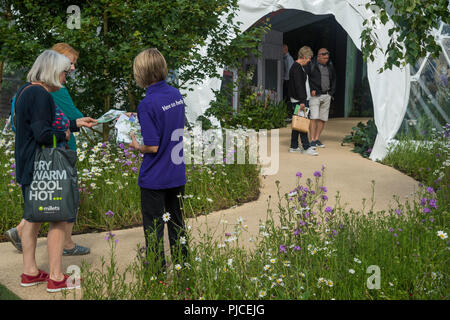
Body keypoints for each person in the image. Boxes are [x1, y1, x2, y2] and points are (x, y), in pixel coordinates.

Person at [14, 50, 96, 292]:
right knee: (59, 218)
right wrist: (64, 134)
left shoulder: (27, 90)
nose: (66, 74)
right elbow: (42, 133)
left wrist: (74, 124)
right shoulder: (41, 95)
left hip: (29, 165)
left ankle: (29, 272)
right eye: (64, 71)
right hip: (46, 168)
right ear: (52, 71)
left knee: (32, 218)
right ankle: (57, 277)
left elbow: (33, 126)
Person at [129, 48, 188, 275]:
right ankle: (184, 269)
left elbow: (152, 146)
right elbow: (169, 124)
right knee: (177, 226)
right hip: (176, 173)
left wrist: (136, 146)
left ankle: (156, 272)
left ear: (141, 73)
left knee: (153, 229)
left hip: (154, 177)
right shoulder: (176, 95)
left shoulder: (146, 104)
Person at [288, 46, 318, 156]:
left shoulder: (298, 67)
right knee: (303, 123)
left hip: (298, 99)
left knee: (298, 123)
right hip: (299, 100)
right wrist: (302, 101)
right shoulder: (297, 68)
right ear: (304, 56)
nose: (310, 60)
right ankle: (306, 147)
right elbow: (299, 86)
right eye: (309, 57)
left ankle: (294, 146)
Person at [306, 48, 336, 148]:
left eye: (327, 58)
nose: (326, 60)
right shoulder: (311, 65)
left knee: (323, 118)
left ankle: (317, 138)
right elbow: (306, 79)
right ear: (319, 56)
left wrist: (331, 93)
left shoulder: (330, 65)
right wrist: (311, 90)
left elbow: (334, 79)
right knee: (314, 117)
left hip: (327, 95)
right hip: (315, 95)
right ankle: (312, 139)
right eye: (324, 58)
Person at [283, 44, 295, 118]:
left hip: (289, 81)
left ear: (285, 49)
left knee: (289, 98)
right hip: (287, 80)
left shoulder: (289, 58)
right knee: (287, 98)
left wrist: (286, 80)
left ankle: (291, 115)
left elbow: (289, 71)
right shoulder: (285, 58)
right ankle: (289, 114)